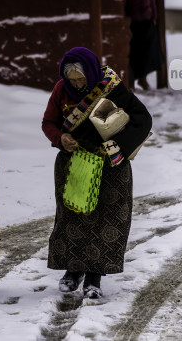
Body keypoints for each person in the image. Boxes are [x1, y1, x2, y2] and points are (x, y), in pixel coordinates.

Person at [41, 47, 152, 299]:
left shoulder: (111, 88)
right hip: (74, 163)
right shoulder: (61, 90)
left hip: (109, 166)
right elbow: (48, 122)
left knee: (105, 219)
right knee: (73, 217)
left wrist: (115, 147)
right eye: (73, 80)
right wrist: (61, 138)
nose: (78, 84)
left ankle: (94, 277)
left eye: (82, 79)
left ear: (92, 73)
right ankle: (72, 271)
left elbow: (142, 119)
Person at [124, 0, 162, 91]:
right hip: (135, 25)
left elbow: (153, 4)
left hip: (148, 24)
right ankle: (133, 81)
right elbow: (125, 6)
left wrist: (154, 18)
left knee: (149, 53)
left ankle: (143, 79)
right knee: (135, 54)